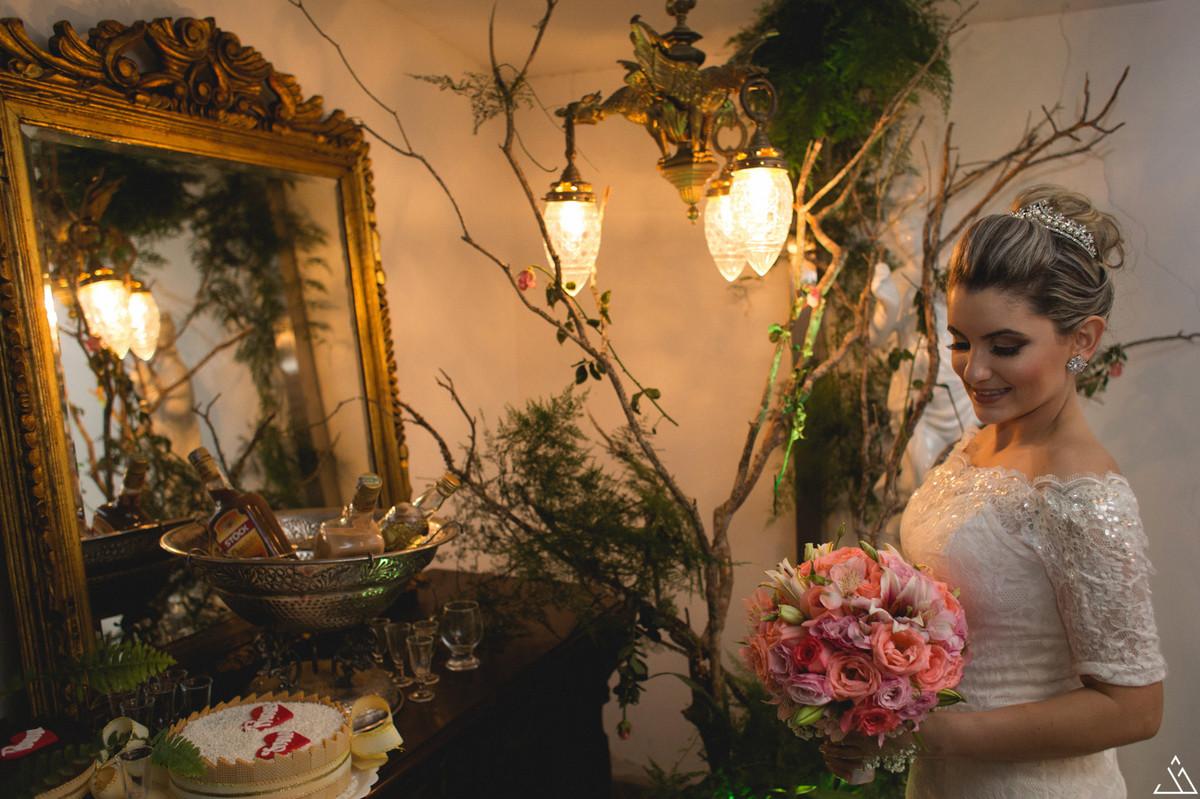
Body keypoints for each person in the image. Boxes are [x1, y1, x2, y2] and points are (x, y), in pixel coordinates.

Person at [821, 185, 1166, 797]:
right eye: (960, 341)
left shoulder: (1081, 489)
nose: (973, 370)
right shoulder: (976, 444)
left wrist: (929, 734)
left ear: (1083, 340)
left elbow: (1134, 710)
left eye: (1005, 347)